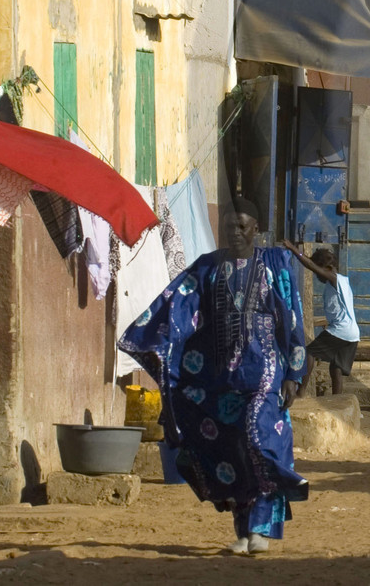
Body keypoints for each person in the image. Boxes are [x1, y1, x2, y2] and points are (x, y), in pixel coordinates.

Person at [118, 198, 309, 555]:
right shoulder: (206, 268)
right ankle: (244, 530)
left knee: (259, 438)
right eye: (228, 228)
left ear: (257, 229)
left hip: (265, 371)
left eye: (242, 226)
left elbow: (293, 318)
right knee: (231, 451)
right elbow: (177, 309)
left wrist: (294, 372)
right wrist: (153, 340)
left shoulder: (275, 263)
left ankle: (261, 528)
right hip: (220, 379)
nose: (235, 233)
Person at [287, 243, 357, 398]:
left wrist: (293, 249)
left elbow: (311, 265)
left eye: (320, 271)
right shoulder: (343, 281)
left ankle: (301, 391)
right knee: (336, 368)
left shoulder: (334, 278)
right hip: (352, 333)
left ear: (327, 268)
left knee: (310, 353)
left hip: (341, 330)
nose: (317, 275)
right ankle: (337, 400)